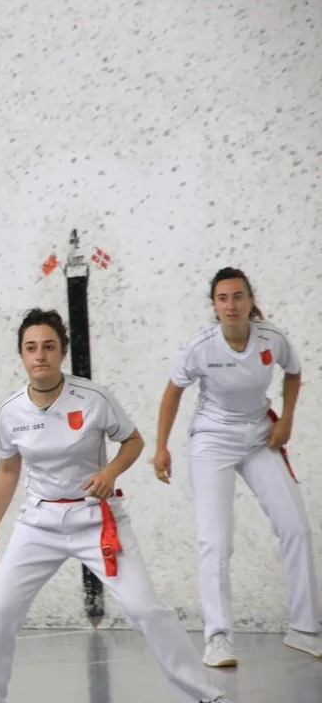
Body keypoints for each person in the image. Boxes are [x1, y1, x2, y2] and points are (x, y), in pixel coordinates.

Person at [0, 308, 227, 703]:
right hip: (38, 524)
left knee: (146, 610)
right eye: (31, 348)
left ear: (62, 352)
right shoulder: (10, 412)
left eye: (48, 346)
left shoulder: (94, 397)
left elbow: (133, 441)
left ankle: (205, 696)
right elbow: (8, 470)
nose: (40, 355)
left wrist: (110, 472)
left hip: (97, 520)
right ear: (21, 355)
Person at [153, 267, 321, 666]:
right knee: (216, 540)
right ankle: (218, 639)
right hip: (212, 440)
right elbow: (173, 393)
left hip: (261, 436)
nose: (231, 305)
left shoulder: (271, 338)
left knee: (296, 527)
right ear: (214, 305)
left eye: (238, 296)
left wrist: (286, 420)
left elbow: (293, 372)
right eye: (223, 298)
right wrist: (161, 448)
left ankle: (303, 628)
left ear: (250, 300)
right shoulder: (200, 347)